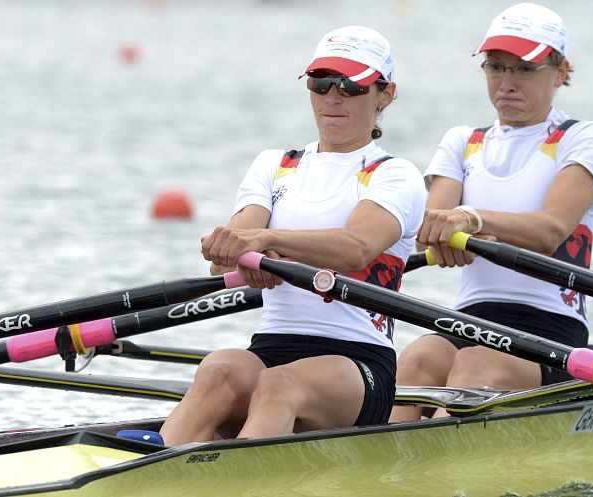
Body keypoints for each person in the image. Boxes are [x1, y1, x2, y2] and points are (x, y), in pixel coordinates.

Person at [159, 26, 426, 446]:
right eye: (322, 84)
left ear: (385, 94)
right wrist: (243, 247)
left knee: (279, 385)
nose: (333, 96)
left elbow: (356, 248)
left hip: (357, 363)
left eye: (352, 85)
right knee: (219, 368)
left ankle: (233, 480)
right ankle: (140, 472)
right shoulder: (275, 165)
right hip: (272, 347)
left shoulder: (394, 174)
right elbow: (226, 258)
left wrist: (265, 243)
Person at [390, 2, 593, 422]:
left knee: (475, 365)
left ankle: (430, 472)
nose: (506, 83)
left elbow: (551, 229)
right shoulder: (463, 141)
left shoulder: (583, 138)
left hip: (550, 333)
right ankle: (375, 473)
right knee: (416, 359)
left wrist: (471, 221)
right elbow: (428, 229)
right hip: (470, 320)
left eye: (524, 69)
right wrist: (450, 229)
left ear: (561, 70)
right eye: (496, 67)